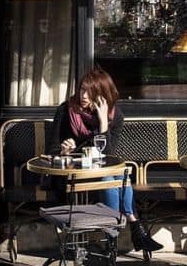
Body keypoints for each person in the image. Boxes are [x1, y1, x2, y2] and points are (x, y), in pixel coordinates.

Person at [47, 67, 162, 253]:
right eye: (81, 90)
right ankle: (133, 229)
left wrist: (102, 124)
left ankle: (112, 241)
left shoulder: (114, 116)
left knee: (113, 178)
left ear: (102, 95)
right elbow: (50, 150)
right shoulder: (65, 111)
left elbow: (108, 155)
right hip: (72, 180)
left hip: (99, 177)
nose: (83, 95)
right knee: (116, 178)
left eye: (89, 92)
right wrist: (63, 150)